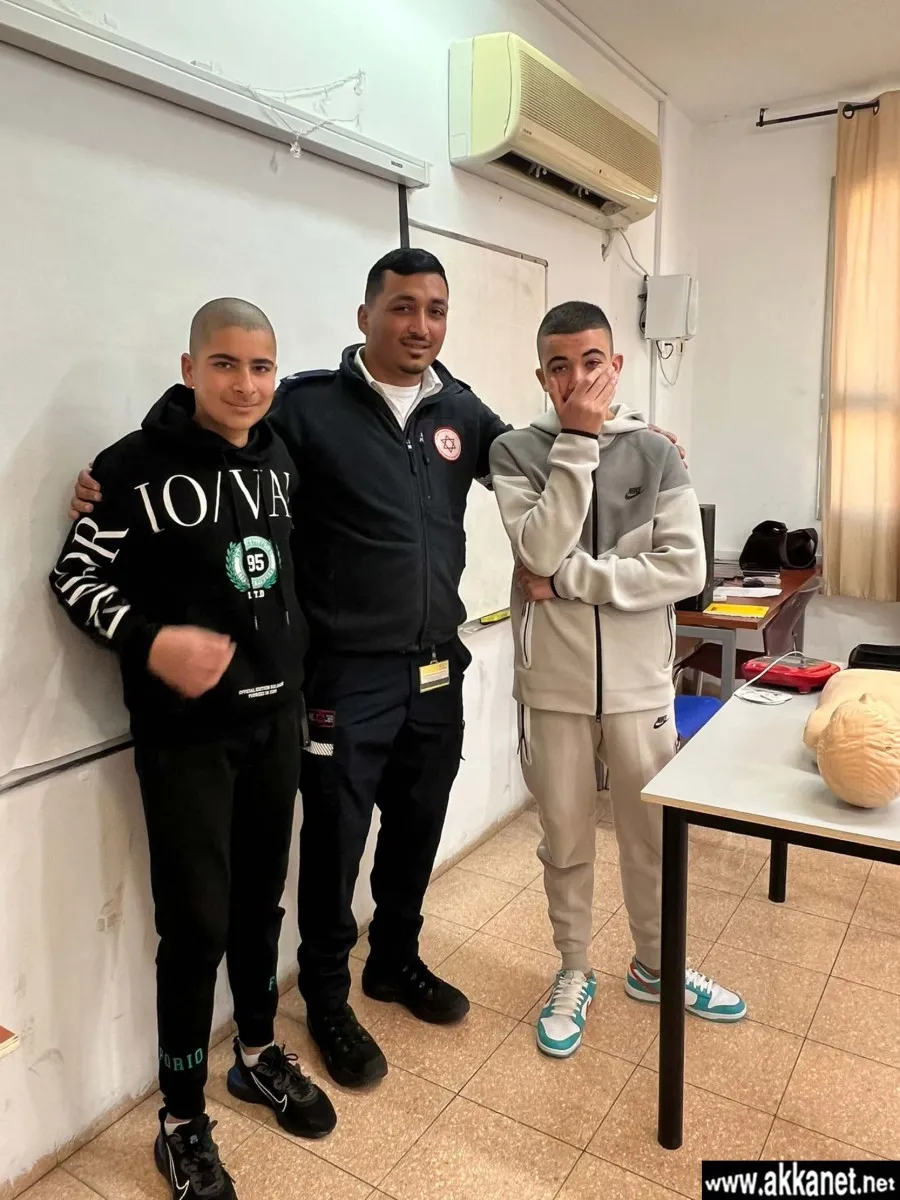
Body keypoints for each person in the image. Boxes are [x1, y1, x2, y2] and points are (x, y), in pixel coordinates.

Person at [67, 251, 687, 1091]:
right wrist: (109, 482)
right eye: (402, 307)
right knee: (334, 846)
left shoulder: (464, 413)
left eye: (435, 309)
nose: (420, 325)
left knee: (416, 829)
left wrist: (638, 442)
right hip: (344, 677)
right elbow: (220, 437)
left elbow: (546, 452)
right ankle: (326, 997)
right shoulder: (308, 406)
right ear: (366, 316)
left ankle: (395, 958)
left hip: (435, 666)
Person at [51, 299, 336, 1200]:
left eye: (261, 367)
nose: (245, 384)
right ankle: (180, 1117)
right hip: (186, 739)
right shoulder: (129, 467)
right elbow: (73, 576)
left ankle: (255, 1052)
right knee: (197, 925)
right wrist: (151, 642)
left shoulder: (280, 457)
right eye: (224, 364)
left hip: (274, 723)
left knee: (259, 905)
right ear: (188, 368)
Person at [489, 301, 747, 1060]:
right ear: (542, 376)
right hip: (553, 687)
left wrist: (574, 581)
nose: (577, 379)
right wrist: (576, 442)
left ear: (618, 364)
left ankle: (657, 965)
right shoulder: (514, 451)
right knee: (566, 838)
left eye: (592, 361)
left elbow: (685, 570)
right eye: (560, 366)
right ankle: (573, 970)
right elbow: (537, 549)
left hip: (640, 687)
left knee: (653, 836)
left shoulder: (657, 453)